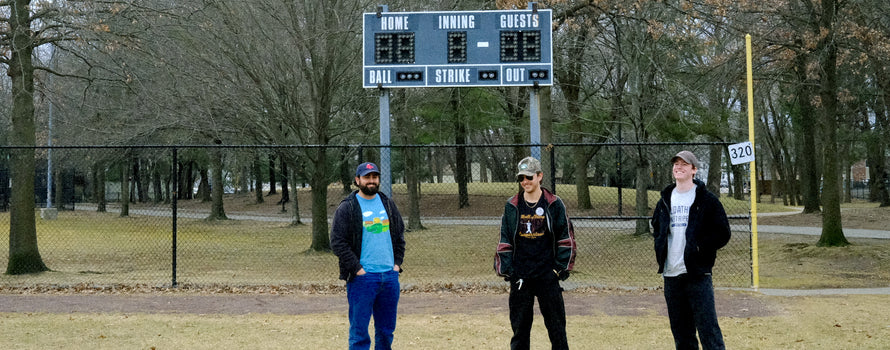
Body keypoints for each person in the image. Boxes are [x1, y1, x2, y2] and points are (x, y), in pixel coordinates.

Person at [651, 150, 731, 350]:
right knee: (682, 334)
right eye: (676, 164)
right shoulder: (665, 200)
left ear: (694, 170)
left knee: (709, 331)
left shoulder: (706, 200)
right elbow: (657, 227)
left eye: (684, 164)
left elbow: (723, 233)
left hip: (697, 275)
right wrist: (660, 246)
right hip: (671, 275)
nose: (678, 167)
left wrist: (699, 247)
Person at [495, 156, 576, 350]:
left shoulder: (554, 204)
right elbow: (504, 239)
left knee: (557, 330)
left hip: (547, 275)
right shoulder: (512, 206)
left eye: (529, 177)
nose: (525, 182)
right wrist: (510, 271)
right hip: (521, 276)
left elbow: (566, 239)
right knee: (520, 331)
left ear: (540, 176)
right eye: (521, 178)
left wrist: (557, 271)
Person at [330, 161, 406, 350]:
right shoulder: (348, 207)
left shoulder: (387, 204)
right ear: (357, 180)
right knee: (359, 335)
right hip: (362, 280)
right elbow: (337, 242)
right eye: (367, 177)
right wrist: (358, 270)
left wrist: (396, 265)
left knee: (386, 331)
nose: (371, 181)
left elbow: (399, 236)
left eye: (374, 177)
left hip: (389, 277)